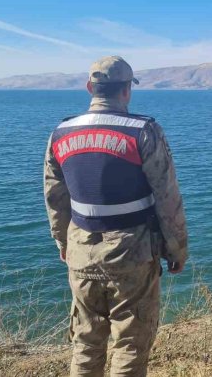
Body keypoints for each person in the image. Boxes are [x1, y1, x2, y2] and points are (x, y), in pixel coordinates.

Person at [43, 55, 188, 377]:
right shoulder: (143, 131)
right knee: (130, 345)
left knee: (86, 342)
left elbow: (55, 196)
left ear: (89, 88)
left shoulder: (60, 133)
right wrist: (176, 249)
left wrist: (62, 240)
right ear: (126, 91)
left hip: (80, 249)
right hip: (132, 253)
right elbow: (167, 198)